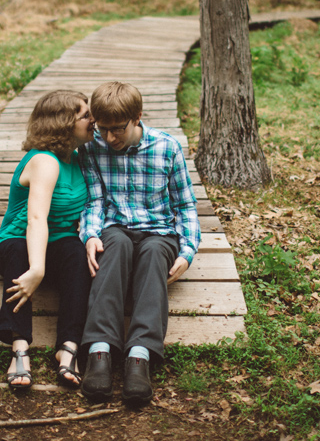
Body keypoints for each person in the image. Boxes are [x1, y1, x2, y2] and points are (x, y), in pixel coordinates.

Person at [78, 81, 200, 405]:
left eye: (117, 129)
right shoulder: (92, 149)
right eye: (102, 129)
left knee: (154, 253)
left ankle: (139, 356)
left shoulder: (167, 147)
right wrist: (90, 234)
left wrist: (187, 251)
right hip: (115, 226)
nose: (110, 138)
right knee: (113, 247)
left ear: (137, 117)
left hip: (159, 231)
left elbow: (185, 206)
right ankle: (100, 352)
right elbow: (95, 201)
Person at [0, 90, 95, 391]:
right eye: (85, 115)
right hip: (17, 240)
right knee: (20, 252)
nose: (92, 120)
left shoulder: (76, 156)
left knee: (76, 254)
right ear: (63, 123)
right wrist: (37, 270)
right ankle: (20, 348)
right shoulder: (45, 162)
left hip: (58, 241)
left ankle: (68, 347)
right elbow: (35, 219)